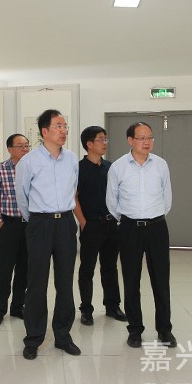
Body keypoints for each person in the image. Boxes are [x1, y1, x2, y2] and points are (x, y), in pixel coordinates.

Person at [15, 109, 80, 360]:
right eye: (58, 126)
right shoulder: (29, 161)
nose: (63, 131)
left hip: (66, 224)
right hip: (39, 224)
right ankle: (33, 338)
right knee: (36, 283)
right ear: (44, 131)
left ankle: (63, 336)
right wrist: (36, 220)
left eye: (65, 126)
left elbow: (73, 189)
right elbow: (22, 197)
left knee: (65, 282)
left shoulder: (72, 159)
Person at [106, 122, 176, 349]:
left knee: (161, 280)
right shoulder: (118, 167)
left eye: (150, 138)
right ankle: (135, 330)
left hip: (157, 227)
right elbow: (112, 201)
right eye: (142, 138)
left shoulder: (161, 165)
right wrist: (128, 220)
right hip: (129, 229)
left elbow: (167, 198)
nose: (147, 142)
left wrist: (153, 216)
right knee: (131, 280)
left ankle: (165, 330)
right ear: (130, 140)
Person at [72, 126, 126, 326]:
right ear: (89, 144)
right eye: (101, 139)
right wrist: (83, 222)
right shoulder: (79, 168)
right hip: (91, 225)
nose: (105, 143)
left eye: (105, 139)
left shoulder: (110, 167)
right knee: (87, 268)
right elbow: (74, 197)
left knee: (110, 267)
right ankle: (86, 309)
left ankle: (112, 306)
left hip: (112, 224)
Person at [0, 133, 30, 327]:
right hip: (9, 225)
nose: (25, 149)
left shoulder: (33, 168)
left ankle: (18, 307)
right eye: (20, 146)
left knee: (25, 269)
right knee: (4, 269)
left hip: (30, 226)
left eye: (27, 145)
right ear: (10, 149)